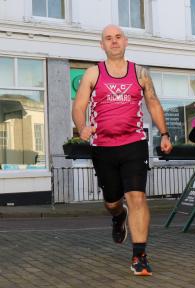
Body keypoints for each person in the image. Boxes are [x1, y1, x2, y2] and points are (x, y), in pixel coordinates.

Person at [72, 24, 172, 276]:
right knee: (112, 202)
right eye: (108, 38)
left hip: (134, 144)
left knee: (137, 196)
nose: (114, 41)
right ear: (102, 45)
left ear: (126, 41)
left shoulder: (140, 72)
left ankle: (140, 255)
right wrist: (82, 126)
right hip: (103, 147)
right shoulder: (93, 73)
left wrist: (165, 133)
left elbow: (153, 102)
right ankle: (118, 217)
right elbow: (79, 105)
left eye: (118, 37)